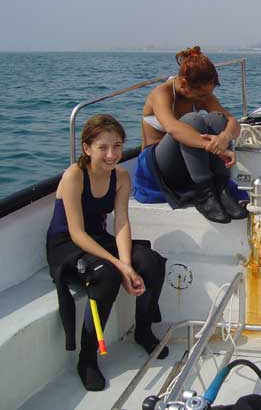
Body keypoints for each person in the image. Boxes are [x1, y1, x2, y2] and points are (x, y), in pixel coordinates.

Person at [46, 115, 168, 391]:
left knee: (151, 262)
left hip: (99, 239)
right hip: (67, 244)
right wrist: (120, 267)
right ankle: (87, 359)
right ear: (87, 148)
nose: (112, 154)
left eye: (118, 146)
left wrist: (128, 263)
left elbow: (121, 221)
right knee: (107, 275)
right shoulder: (74, 176)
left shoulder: (121, 176)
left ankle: (144, 330)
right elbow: (76, 233)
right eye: (103, 147)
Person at [134, 46, 247, 224]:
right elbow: (172, 128)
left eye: (209, 93)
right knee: (191, 120)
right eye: (202, 93)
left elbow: (233, 122)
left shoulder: (204, 95)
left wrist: (224, 137)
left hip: (189, 166)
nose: (206, 98)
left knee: (216, 118)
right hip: (159, 169)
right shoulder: (161, 94)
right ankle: (204, 195)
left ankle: (220, 189)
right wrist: (215, 148)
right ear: (184, 83)